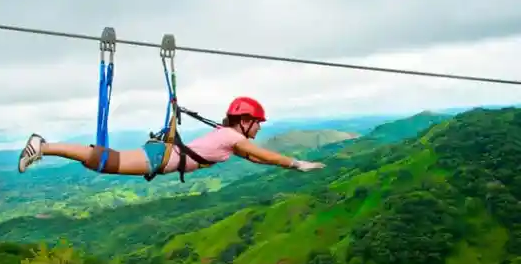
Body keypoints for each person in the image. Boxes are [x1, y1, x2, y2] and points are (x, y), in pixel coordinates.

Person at [17, 96, 326, 177]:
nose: (259, 128)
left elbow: (259, 159)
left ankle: (44, 147)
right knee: (103, 161)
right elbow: (265, 154)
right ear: (244, 121)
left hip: (161, 157)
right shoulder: (232, 137)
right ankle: (42, 146)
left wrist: (286, 166)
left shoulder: (228, 138)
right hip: (160, 157)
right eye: (256, 123)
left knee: (102, 161)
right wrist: (295, 163)